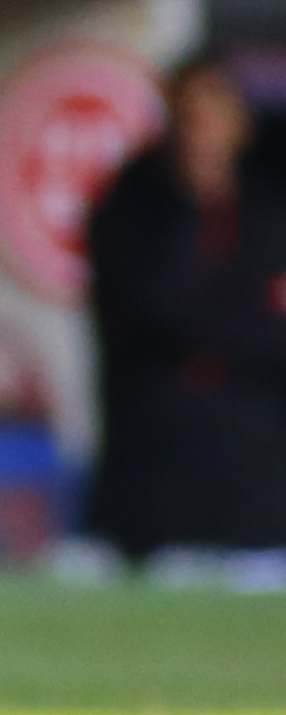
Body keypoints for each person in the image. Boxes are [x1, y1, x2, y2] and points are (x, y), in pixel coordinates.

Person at [80, 58, 286, 560]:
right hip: (156, 455)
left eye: (215, 114)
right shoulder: (133, 204)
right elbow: (150, 314)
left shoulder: (266, 214)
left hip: (256, 458)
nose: (202, 132)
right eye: (189, 116)